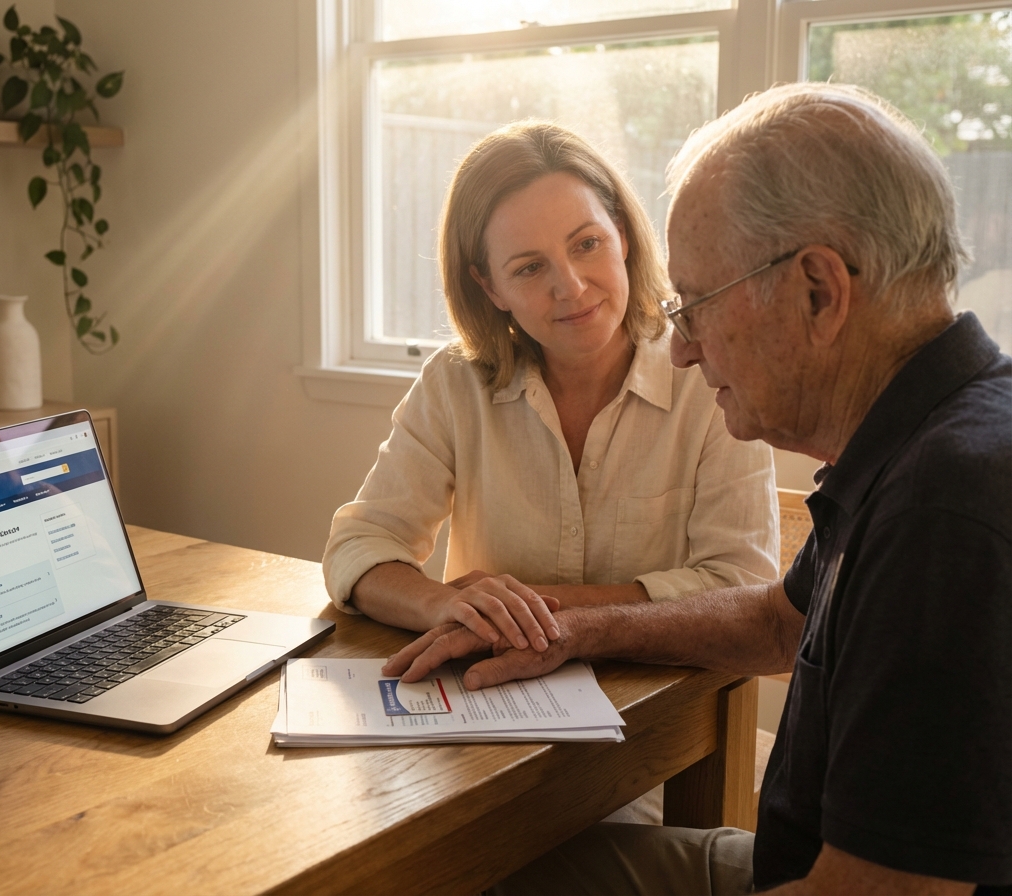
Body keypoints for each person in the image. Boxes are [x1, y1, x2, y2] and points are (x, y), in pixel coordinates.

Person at [386, 84, 1012, 895]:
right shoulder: (920, 436)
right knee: (487, 871)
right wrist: (574, 630)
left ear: (818, 292)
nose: (680, 350)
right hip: (792, 864)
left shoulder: (942, 515)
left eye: (699, 305)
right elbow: (775, 622)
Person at [323, 121, 778, 665]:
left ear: (623, 235)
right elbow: (358, 546)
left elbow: (743, 590)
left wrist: (528, 611)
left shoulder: (713, 375)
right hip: (491, 700)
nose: (571, 287)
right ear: (490, 287)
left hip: (667, 701)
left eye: (587, 244)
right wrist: (442, 604)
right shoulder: (454, 382)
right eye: (530, 267)